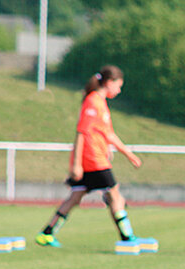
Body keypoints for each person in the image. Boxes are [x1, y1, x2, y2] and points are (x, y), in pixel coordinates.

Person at [36, 65, 143, 248]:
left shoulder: (101, 103)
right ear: (109, 83)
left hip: (95, 157)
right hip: (92, 159)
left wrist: (128, 154)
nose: (119, 90)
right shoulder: (92, 102)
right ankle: (127, 237)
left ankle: (47, 233)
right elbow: (81, 133)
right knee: (115, 195)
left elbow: (107, 134)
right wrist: (77, 165)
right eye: (118, 86)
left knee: (76, 196)